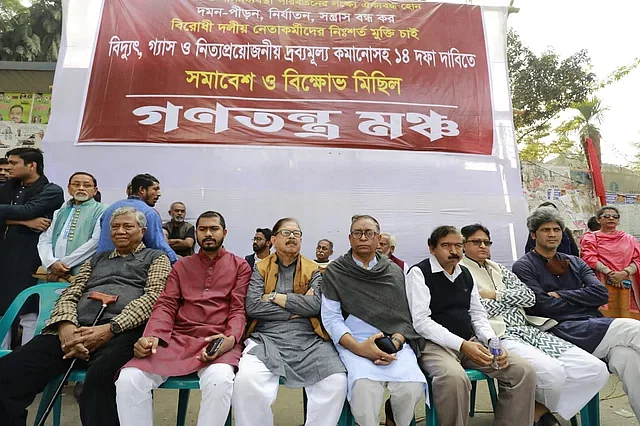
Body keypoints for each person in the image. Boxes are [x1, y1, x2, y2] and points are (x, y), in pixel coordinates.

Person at [0, 206, 171, 426]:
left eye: (128, 226)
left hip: (121, 333)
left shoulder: (156, 258)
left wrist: (111, 328)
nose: (120, 231)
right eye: (115, 226)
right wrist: (66, 327)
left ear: (142, 230)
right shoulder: (97, 259)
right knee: (8, 374)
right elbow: (71, 292)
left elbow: (153, 298)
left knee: (100, 382)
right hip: (75, 330)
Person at [460, 224, 608, 426]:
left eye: (487, 242)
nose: (483, 246)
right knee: (553, 373)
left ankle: (536, 413)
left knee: (595, 370)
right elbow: (476, 308)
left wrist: (495, 295)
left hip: (530, 329)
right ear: (463, 245)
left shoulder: (498, 268)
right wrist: (510, 300)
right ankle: (534, 417)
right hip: (499, 335)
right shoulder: (459, 272)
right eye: (476, 242)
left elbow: (529, 297)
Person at [116, 211, 252, 425]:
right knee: (129, 379)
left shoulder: (240, 266)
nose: (208, 233)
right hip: (178, 338)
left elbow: (238, 308)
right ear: (196, 233)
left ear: (224, 233)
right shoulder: (181, 265)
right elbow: (166, 304)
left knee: (220, 381)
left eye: (213, 229)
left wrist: (230, 339)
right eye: (202, 229)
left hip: (218, 339)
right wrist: (152, 335)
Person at [513, 207, 640, 421]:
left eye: (556, 229)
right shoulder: (523, 266)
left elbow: (600, 294)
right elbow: (541, 305)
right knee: (633, 327)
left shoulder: (574, 261)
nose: (552, 234)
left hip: (592, 325)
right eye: (545, 230)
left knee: (631, 360)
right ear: (534, 234)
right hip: (559, 331)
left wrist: (562, 296)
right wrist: (582, 299)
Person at [406, 225, 536, 426]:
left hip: (470, 343)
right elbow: (422, 322)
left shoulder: (465, 274)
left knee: (522, 370)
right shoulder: (419, 273)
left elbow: (477, 314)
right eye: (446, 245)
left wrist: (492, 341)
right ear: (432, 248)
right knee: (453, 378)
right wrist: (462, 345)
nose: (453, 251)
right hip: (434, 345)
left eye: (458, 245)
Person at [232, 218, 347, 426]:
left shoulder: (313, 269)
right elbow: (254, 307)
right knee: (247, 381)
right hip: (267, 338)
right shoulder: (260, 269)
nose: (292, 236)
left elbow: (316, 305)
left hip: (309, 338)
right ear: (273, 240)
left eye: (297, 233)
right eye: (286, 233)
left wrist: (275, 297)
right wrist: (295, 310)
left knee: (336, 380)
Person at [322, 215, 426, 426]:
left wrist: (396, 342)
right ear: (350, 238)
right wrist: (360, 348)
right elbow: (331, 317)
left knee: (412, 385)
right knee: (363, 386)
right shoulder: (335, 271)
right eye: (358, 233)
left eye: (369, 233)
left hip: (393, 342)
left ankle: (394, 420)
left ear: (378, 239)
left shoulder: (394, 271)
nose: (363, 238)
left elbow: (404, 315)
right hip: (354, 340)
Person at [0, 148, 64, 349]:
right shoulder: (7, 188)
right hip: (4, 256)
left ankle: (21, 362)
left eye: (13, 163)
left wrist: (19, 217)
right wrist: (24, 222)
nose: (8, 168)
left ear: (31, 165)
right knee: (3, 312)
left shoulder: (52, 190)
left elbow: (30, 209)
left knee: (29, 311)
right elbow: (26, 215)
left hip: (30, 259)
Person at [37, 172, 108, 281]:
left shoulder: (102, 210)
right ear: (69, 189)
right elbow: (45, 240)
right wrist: (50, 262)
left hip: (81, 271)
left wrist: (64, 264)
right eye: (76, 184)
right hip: (52, 269)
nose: (81, 188)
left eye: (87, 185)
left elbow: (95, 242)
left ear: (95, 190)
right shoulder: (60, 212)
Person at [97, 173, 177, 263]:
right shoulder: (149, 213)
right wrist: (177, 264)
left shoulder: (109, 209)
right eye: (155, 189)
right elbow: (159, 246)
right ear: (142, 190)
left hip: (100, 265)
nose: (159, 194)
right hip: (130, 269)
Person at [580, 206, 640, 319]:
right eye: (607, 216)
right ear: (598, 219)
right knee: (604, 322)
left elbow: (638, 259)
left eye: (615, 216)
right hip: (601, 282)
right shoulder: (591, 237)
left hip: (626, 285)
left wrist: (624, 273)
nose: (611, 218)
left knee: (629, 323)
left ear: (618, 220)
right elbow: (588, 258)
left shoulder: (629, 239)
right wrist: (611, 273)